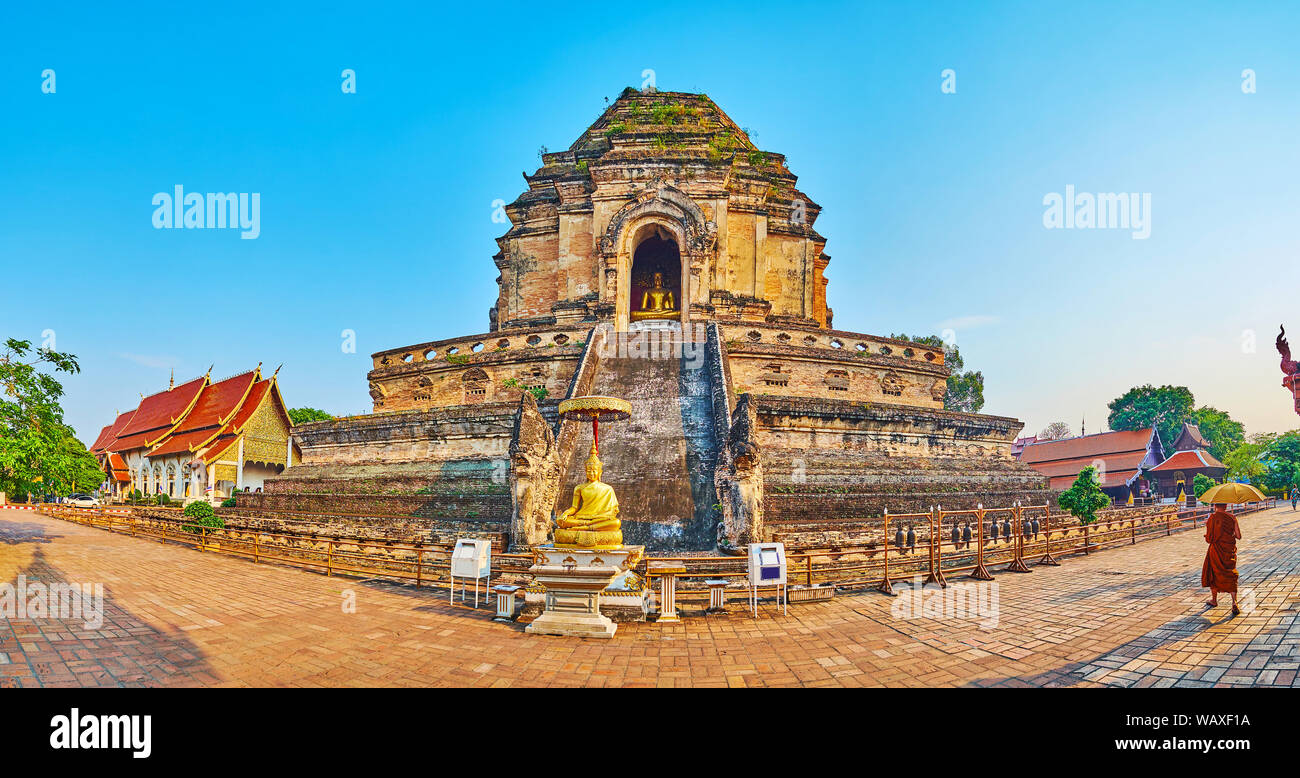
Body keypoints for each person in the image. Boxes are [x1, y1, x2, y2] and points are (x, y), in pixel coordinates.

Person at [1201, 502, 1242, 615]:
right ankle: (1234, 602)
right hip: (1228, 551)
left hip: (1215, 551)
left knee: (1214, 573)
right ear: (1226, 506)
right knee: (1230, 574)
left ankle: (1214, 600)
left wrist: (1208, 532)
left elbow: (1209, 539)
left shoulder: (1212, 518)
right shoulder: (1232, 518)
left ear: (1215, 506)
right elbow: (1239, 536)